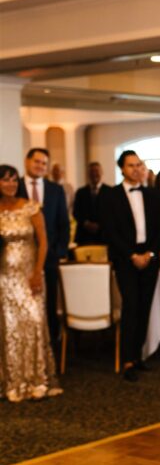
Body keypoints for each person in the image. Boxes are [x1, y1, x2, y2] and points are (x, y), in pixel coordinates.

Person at [100, 150, 160, 382]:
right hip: (125, 260)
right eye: (131, 165)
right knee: (131, 306)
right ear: (122, 169)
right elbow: (110, 231)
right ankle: (127, 359)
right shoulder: (110, 196)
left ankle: (138, 355)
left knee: (145, 307)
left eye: (139, 164)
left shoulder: (155, 196)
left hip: (150, 259)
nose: (136, 169)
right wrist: (131, 255)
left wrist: (149, 254)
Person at [0, 164, 62, 403]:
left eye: (14, 180)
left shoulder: (31, 207)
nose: (11, 184)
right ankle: (13, 382)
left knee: (34, 322)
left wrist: (37, 273)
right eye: (5, 180)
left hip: (29, 276)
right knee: (10, 329)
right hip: (4, 278)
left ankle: (37, 379)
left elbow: (43, 243)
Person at [17, 147, 70, 352]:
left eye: (44, 164)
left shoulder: (55, 190)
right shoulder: (15, 187)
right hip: (21, 258)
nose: (40, 166)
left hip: (49, 258)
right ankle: (25, 348)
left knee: (48, 305)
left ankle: (51, 350)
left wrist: (59, 251)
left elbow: (63, 224)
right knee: (24, 304)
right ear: (27, 161)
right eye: (37, 162)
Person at [73, 162, 109, 245]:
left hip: (104, 236)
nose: (94, 174)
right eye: (91, 171)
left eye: (97, 171)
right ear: (87, 174)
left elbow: (113, 214)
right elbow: (76, 212)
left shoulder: (110, 192)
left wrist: (100, 225)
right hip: (84, 236)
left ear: (102, 173)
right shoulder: (80, 192)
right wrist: (86, 223)